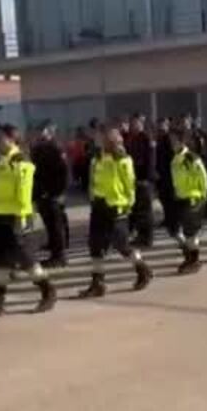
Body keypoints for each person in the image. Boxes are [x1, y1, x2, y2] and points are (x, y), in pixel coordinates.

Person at [0, 125, 58, 319]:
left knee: (27, 261)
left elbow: (24, 193)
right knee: (1, 262)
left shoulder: (20, 162)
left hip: (15, 218)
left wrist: (21, 219)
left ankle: (48, 291)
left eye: (1, 138)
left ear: (12, 140)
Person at [79, 127, 154, 298]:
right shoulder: (97, 158)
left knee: (122, 245)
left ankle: (143, 269)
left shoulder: (123, 159)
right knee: (95, 246)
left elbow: (129, 184)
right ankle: (97, 283)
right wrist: (92, 196)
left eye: (106, 139)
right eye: (101, 139)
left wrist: (128, 204)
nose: (101, 141)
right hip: (99, 206)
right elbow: (92, 180)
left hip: (116, 207)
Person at [29, 122, 71, 267]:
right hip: (42, 193)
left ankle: (59, 256)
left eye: (42, 131)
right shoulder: (37, 148)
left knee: (56, 225)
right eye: (37, 131)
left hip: (53, 193)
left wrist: (60, 192)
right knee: (49, 225)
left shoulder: (55, 148)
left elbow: (64, 172)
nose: (39, 134)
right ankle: (54, 249)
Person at [167, 130, 207, 274]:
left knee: (191, 232)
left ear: (182, 142)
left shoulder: (191, 157)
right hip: (180, 197)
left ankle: (194, 260)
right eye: (171, 141)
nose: (172, 144)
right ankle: (189, 255)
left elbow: (203, 176)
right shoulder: (175, 158)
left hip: (192, 197)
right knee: (177, 230)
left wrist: (203, 195)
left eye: (174, 141)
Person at [123, 114, 159, 248]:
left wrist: (146, 179)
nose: (133, 126)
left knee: (146, 211)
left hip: (144, 180)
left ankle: (147, 238)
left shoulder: (146, 138)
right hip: (135, 179)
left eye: (135, 123)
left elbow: (151, 160)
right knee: (138, 210)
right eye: (132, 124)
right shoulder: (132, 138)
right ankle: (141, 235)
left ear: (141, 124)